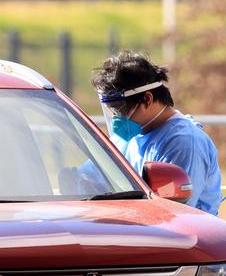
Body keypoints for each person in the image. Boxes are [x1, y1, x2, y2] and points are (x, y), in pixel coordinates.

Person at [92, 50, 222, 215]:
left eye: (120, 109)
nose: (117, 118)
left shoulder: (184, 144)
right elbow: (88, 176)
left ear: (147, 99)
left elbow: (174, 214)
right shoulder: (128, 138)